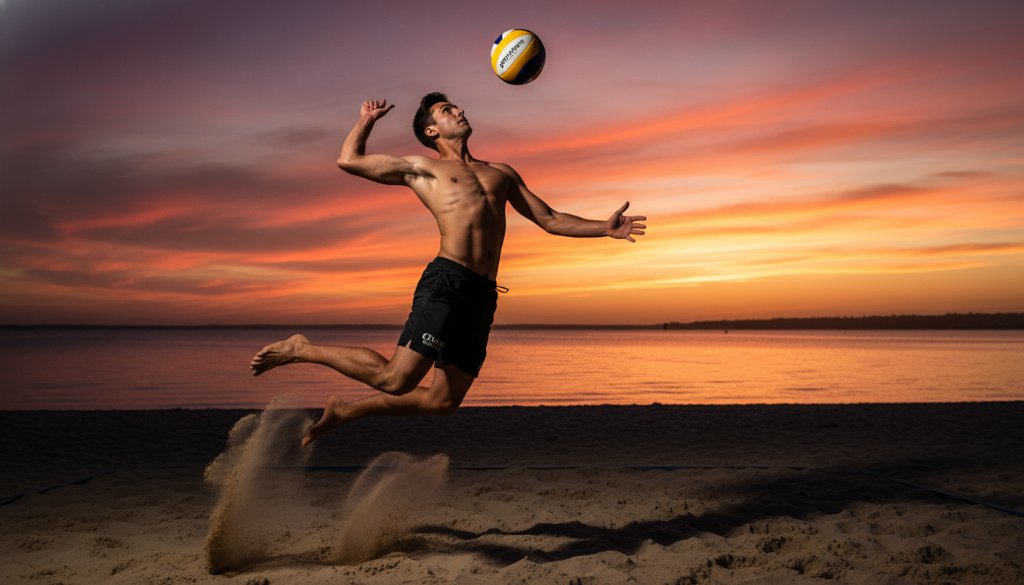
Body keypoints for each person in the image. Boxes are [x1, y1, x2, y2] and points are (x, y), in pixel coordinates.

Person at [249, 93, 647, 447]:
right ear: (431, 130)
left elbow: (550, 218)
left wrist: (603, 229)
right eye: (446, 110)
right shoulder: (423, 169)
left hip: (483, 294)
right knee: (395, 380)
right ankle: (303, 348)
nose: (458, 110)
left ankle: (346, 411)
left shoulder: (501, 173)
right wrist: (366, 120)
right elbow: (348, 160)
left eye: (455, 106)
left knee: (443, 402)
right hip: (447, 281)